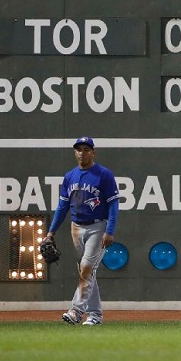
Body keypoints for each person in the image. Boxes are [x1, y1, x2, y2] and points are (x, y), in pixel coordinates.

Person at [41, 136, 119, 326]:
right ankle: (96, 315)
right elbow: (62, 207)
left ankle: (76, 311)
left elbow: (113, 204)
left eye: (86, 149)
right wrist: (51, 232)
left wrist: (109, 230)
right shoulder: (70, 177)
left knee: (86, 268)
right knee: (87, 272)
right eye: (79, 149)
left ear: (93, 152)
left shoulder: (104, 175)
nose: (82, 153)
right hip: (76, 227)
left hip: (97, 227)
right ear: (74, 152)